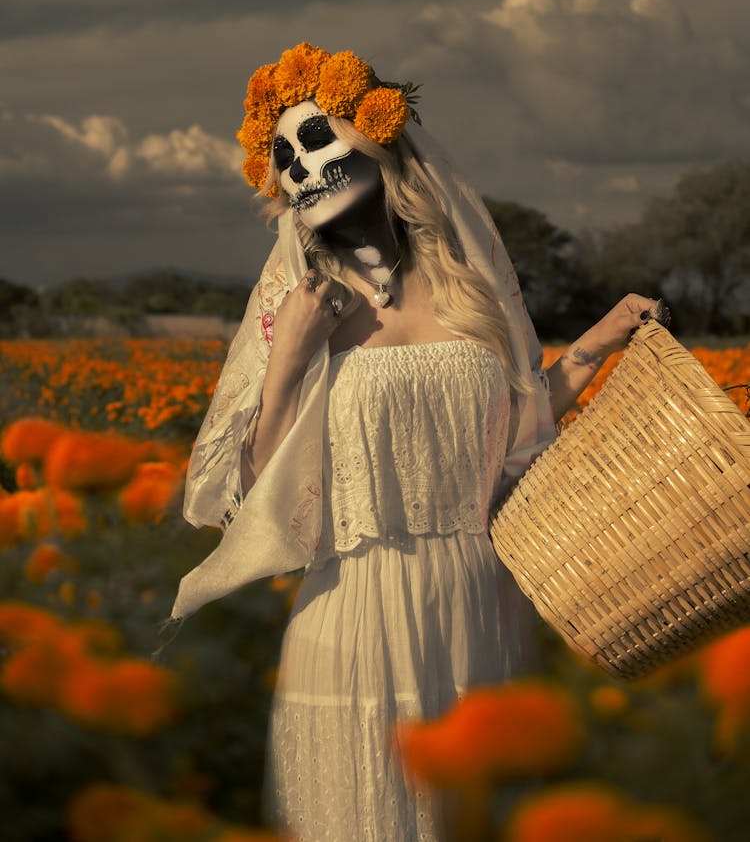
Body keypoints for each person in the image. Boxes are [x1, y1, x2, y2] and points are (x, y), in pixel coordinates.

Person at [172, 43, 662, 842]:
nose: (303, 166)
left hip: (480, 613)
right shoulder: (303, 311)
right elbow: (252, 496)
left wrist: (587, 352)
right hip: (354, 620)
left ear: (381, 138)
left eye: (319, 139)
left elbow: (516, 435)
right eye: (285, 157)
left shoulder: (471, 289)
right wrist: (288, 362)